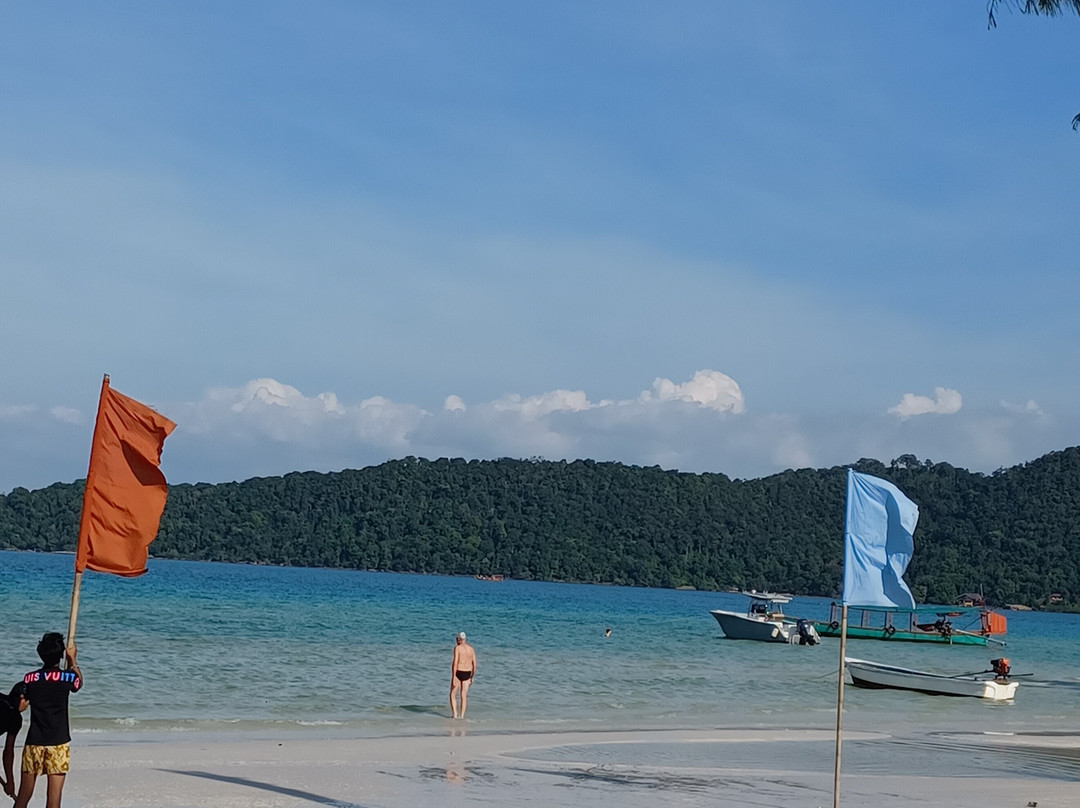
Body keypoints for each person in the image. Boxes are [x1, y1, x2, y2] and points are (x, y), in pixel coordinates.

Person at [13, 633, 82, 808]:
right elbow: (78, 683)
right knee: (53, 799)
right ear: (60, 655)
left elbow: (21, 706)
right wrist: (72, 660)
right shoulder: (68, 677)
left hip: (34, 742)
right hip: (58, 742)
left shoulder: (29, 679)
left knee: (23, 797)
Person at [1, 683, 29, 799]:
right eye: (28, 702)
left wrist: (9, 783)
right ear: (22, 698)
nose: (27, 706)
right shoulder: (15, 717)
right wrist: (10, 782)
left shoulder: (15, 717)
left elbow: (8, 752)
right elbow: (8, 752)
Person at [449, 631, 476, 719]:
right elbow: (474, 665)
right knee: (463, 695)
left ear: (460, 639)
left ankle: (455, 714)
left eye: (457, 639)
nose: (456, 641)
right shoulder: (471, 649)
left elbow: (455, 663)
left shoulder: (457, 648)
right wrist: (472, 677)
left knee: (452, 694)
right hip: (467, 672)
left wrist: (453, 677)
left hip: (458, 672)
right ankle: (462, 716)